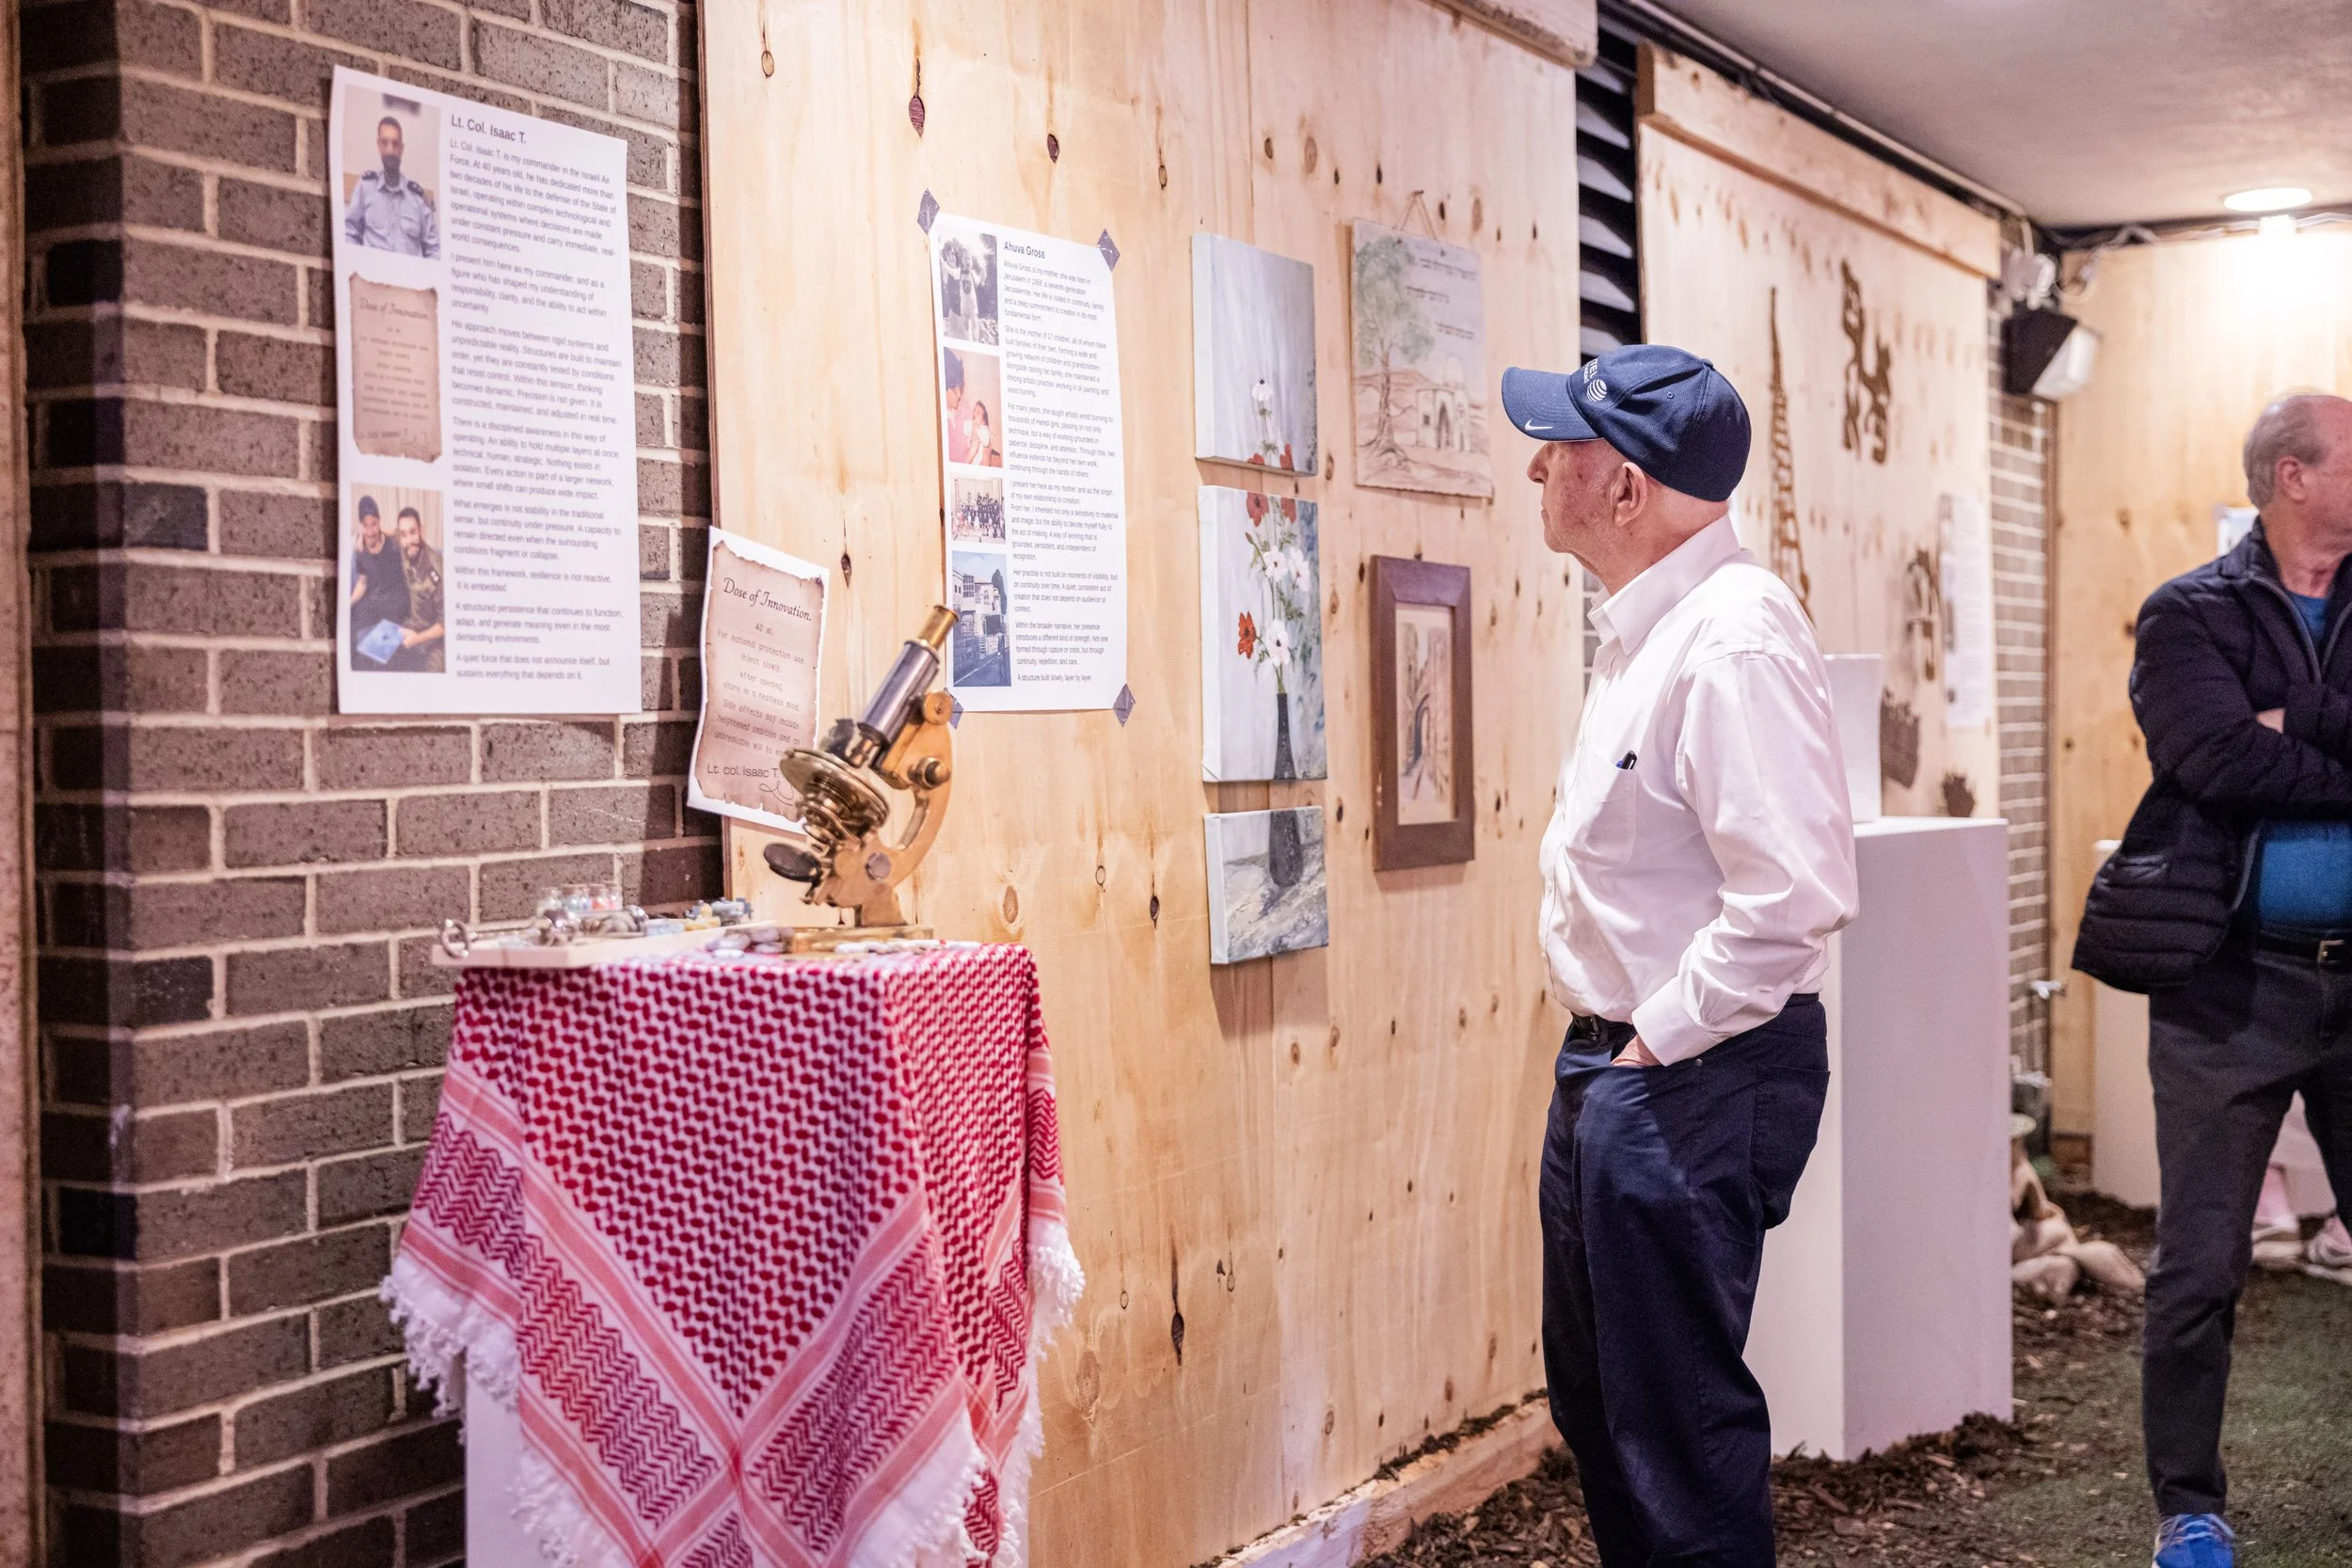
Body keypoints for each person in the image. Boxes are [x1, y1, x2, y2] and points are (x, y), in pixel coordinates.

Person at [1504, 344, 1858, 1566]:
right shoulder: (1651, 629)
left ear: (1627, 488)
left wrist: (1652, 1044)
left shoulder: (1731, 641)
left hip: (1687, 1067)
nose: (1538, 467)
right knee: (1603, 1403)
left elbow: (1793, 894)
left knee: (1674, 1432)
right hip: (1628, 1062)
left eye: (1561, 447)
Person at [2073, 392, 2352, 1568]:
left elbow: (2262, 748)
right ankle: (2187, 1507)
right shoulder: (2188, 611)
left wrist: (2300, 718)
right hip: (2228, 988)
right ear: (2293, 475)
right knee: (2197, 1264)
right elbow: (2213, 755)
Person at [345, 114, 439, 259]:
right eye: (385, 143)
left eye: (395, 144)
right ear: (379, 146)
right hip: (372, 271)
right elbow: (350, 234)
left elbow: (434, 249)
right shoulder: (365, 188)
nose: (390, 150)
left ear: (401, 148)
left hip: (409, 273)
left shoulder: (418, 199)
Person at [348, 495, 407, 660]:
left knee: (380, 648)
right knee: (352, 625)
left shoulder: (393, 544)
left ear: (380, 521)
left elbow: (416, 532)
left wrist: (385, 532)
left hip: (395, 601)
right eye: (365, 525)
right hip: (374, 601)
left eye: (374, 524)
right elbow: (362, 583)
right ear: (361, 525)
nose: (370, 531)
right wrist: (348, 603)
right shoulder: (361, 550)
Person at [389, 505, 445, 672]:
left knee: (435, 671)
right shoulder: (404, 548)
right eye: (404, 534)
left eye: (413, 532)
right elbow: (391, 533)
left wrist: (418, 639)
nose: (409, 540)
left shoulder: (437, 568)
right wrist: (364, 536)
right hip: (411, 626)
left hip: (433, 638)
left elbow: (445, 624)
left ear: (422, 531)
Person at [944, 349, 972, 463]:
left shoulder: (962, 409)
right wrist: (974, 447)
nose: (959, 395)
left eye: (960, 388)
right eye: (955, 391)